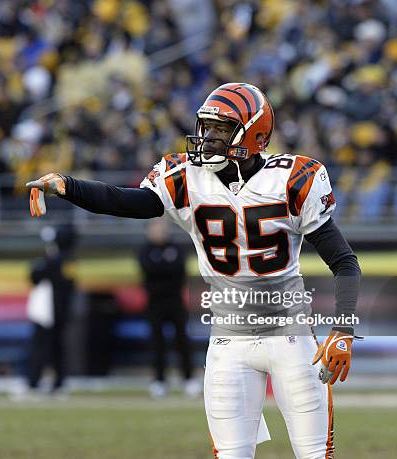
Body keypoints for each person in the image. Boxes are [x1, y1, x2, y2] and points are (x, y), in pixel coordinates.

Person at [27, 83, 361, 458]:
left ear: (254, 134)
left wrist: (344, 328)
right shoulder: (187, 177)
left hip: (293, 339)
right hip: (228, 343)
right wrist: (68, 186)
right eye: (207, 127)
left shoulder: (292, 180)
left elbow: (345, 262)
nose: (208, 137)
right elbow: (127, 201)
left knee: (316, 454)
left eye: (221, 129)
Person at [138, 218, 199, 399]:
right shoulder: (145, 250)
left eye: (162, 228)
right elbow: (148, 271)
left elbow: (179, 272)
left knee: (182, 341)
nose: (159, 231)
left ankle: (189, 380)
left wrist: (161, 274)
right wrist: (164, 273)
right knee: (157, 343)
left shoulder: (176, 248)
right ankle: (159, 381)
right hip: (155, 304)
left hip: (175, 302)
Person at [23, 225, 76, 397]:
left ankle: (38, 382)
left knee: (45, 347)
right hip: (54, 310)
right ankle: (54, 382)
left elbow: (36, 274)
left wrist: (45, 262)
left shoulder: (61, 260)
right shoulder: (62, 260)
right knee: (52, 347)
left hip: (53, 311)